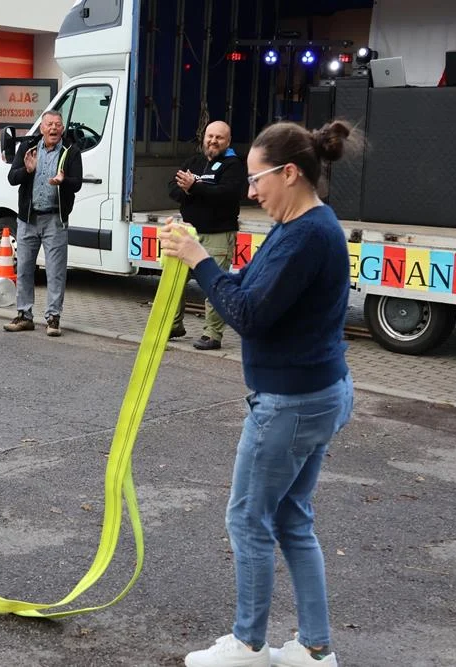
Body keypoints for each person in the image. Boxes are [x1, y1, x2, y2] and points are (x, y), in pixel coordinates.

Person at [162, 120, 357, 667]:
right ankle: (315, 649)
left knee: (248, 519)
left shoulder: (307, 235)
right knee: (292, 517)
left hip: (292, 403)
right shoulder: (301, 225)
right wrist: (202, 261)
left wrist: (201, 261)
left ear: (290, 173)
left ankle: (249, 645)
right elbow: (251, 285)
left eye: (257, 179)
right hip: (316, 393)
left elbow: (247, 314)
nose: (251, 191)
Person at [3, 110, 83, 337]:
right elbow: (12, 178)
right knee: (25, 268)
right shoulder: (28, 148)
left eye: (58, 125)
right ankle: (24, 315)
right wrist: (27, 170)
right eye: (49, 125)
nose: (54, 129)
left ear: (63, 129)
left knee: (56, 272)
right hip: (28, 219)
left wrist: (63, 180)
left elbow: (77, 182)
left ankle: (53, 318)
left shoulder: (71, 151)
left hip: (55, 219)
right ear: (42, 128)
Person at [168, 120, 247, 350]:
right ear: (203, 138)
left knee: (214, 285)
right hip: (190, 233)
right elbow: (171, 187)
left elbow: (228, 194)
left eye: (219, 138)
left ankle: (212, 334)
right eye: (209, 136)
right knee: (175, 282)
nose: (213, 141)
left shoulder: (233, 166)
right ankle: (174, 325)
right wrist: (187, 189)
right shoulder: (195, 162)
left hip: (218, 235)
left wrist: (195, 187)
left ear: (228, 141)